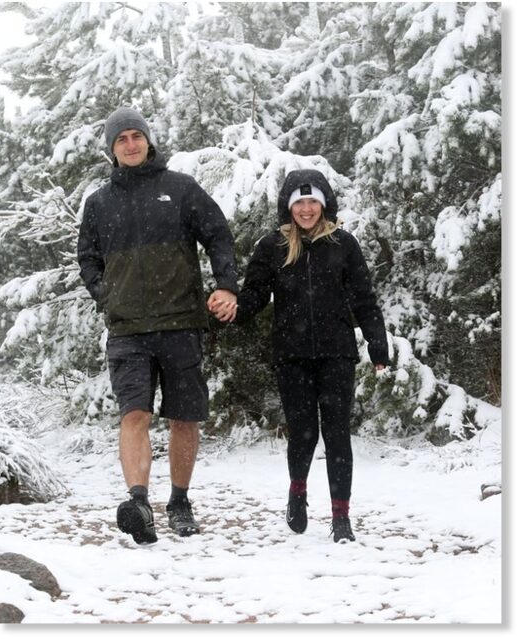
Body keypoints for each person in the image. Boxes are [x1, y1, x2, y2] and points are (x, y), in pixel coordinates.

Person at [77, 107, 238, 544]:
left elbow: (218, 235)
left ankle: (180, 501)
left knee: (184, 417)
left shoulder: (181, 189)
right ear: (112, 149)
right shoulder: (98, 203)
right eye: (121, 139)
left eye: (136, 136)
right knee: (135, 412)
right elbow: (87, 259)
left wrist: (227, 286)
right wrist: (107, 295)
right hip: (127, 330)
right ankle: (139, 501)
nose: (130, 144)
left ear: (147, 140)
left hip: (181, 323)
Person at [209, 169, 389, 543]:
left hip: (336, 353)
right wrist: (234, 310)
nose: (306, 209)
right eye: (299, 203)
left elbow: (364, 298)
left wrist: (377, 343)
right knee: (303, 434)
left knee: (337, 434)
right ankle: (298, 491)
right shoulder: (271, 247)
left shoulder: (344, 244)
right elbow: (255, 296)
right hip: (291, 354)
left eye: (313, 202)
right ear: (288, 206)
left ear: (323, 205)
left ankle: (341, 517)